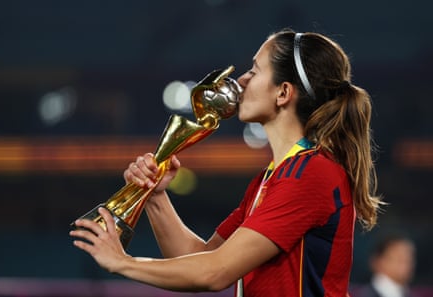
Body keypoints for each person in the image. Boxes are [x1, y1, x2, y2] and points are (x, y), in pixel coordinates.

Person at [70, 28, 384, 296]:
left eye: (255, 70)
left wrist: (123, 262)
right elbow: (202, 257)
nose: (242, 81)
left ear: (283, 92)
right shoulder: (274, 176)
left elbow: (215, 273)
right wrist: (155, 196)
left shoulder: (311, 173)